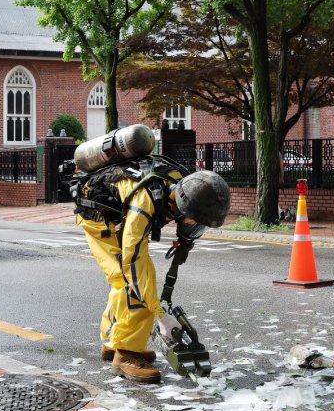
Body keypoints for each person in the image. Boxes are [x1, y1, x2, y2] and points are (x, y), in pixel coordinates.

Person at [77, 160, 231, 383]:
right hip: (100, 218)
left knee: (129, 281)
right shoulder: (144, 205)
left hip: (120, 213)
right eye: (196, 222)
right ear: (182, 206)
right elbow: (133, 263)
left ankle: (114, 342)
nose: (194, 226)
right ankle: (126, 354)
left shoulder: (183, 185)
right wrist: (160, 315)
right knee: (133, 282)